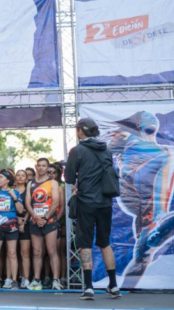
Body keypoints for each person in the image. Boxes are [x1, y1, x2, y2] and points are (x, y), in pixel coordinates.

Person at [108, 111, 174, 290]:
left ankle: (126, 287)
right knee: (171, 157)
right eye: (146, 117)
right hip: (131, 189)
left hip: (147, 204)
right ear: (139, 126)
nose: (152, 119)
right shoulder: (130, 138)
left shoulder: (160, 150)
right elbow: (109, 148)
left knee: (144, 255)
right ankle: (160, 216)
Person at [64, 118, 119, 300]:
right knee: (105, 243)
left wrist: (77, 177)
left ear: (80, 130)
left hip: (86, 202)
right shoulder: (106, 150)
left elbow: (69, 178)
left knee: (85, 244)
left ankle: (88, 287)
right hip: (105, 202)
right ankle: (113, 285)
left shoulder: (77, 150)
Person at [26, 158, 61, 291]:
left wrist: (45, 218)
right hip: (35, 221)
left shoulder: (53, 183)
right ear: (36, 167)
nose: (41, 168)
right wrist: (35, 216)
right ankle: (36, 280)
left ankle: (56, 280)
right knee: (37, 252)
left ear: (47, 167)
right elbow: (28, 203)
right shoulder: (31, 183)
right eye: (39, 165)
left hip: (49, 221)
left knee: (52, 250)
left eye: (44, 166)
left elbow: (56, 202)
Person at [0, 170, 24, 289]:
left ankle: (14, 281)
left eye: (1, 177)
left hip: (10, 225)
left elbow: (20, 210)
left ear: (8, 180)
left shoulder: (15, 192)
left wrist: (14, 197)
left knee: (12, 253)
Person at [14, 169, 31, 289]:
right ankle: (14, 278)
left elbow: (30, 208)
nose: (20, 177)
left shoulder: (29, 191)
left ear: (26, 179)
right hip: (11, 222)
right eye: (18, 175)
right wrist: (16, 219)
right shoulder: (11, 191)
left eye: (23, 175)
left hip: (26, 223)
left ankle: (26, 278)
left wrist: (23, 222)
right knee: (12, 253)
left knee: (25, 253)